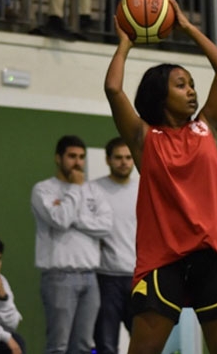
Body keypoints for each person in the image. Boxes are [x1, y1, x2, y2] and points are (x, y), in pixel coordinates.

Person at [103, 0, 217, 354]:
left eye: (192, 85)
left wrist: (186, 26)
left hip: (213, 256)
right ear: (160, 95)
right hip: (162, 260)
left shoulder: (207, 127)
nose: (192, 92)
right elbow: (113, 89)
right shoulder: (143, 139)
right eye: (181, 85)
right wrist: (125, 44)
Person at [30, 135, 114, 354]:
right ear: (58, 158)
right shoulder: (43, 190)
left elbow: (106, 226)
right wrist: (75, 190)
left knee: (84, 346)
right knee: (58, 346)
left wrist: (75, 219)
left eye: (81, 157)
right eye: (72, 157)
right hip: (59, 276)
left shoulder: (94, 191)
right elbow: (59, 220)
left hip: (90, 276)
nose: (77, 162)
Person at [92, 138, 139, 354]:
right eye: (118, 157)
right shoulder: (93, 189)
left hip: (139, 277)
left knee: (144, 342)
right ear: (108, 160)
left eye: (128, 157)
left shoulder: (144, 188)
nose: (124, 162)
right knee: (106, 343)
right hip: (105, 277)